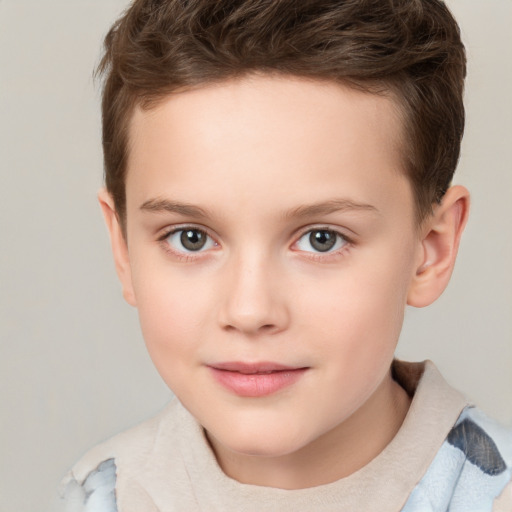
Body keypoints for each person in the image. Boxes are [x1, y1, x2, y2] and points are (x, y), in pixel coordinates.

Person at [59, 0, 512, 510]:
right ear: (123, 249)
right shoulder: (101, 493)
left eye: (322, 239)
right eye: (190, 238)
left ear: (431, 250)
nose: (250, 311)